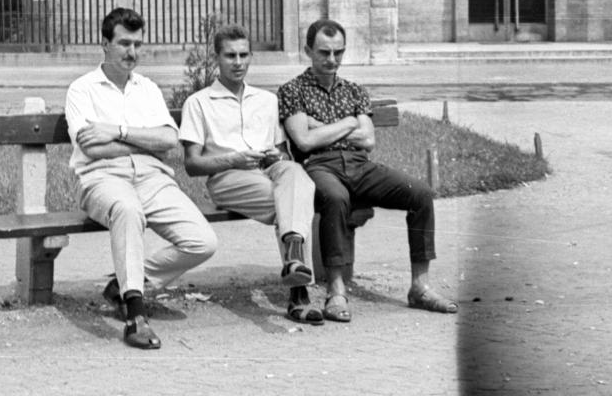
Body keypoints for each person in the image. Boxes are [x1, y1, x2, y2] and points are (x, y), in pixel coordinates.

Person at [277, 18, 457, 323]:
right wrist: (350, 123)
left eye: (339, 52)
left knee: (421, 194)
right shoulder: (292, 90)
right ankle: (336, 291)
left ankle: (420, 286)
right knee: (335, 198)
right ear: (308, 50)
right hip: (320, 167)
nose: (332, 60)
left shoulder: (355, 90)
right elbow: (305, 141)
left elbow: (369, 139)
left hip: (361, 165)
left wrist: (327, 127)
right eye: (324, 52)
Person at [66, 8, 217, 349]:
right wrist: (141, 143)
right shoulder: (82, 90)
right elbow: (91, 149)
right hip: (101, 178)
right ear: (104, 44)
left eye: (137, 44)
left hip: (152, 177)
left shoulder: (146, 88)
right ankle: (135, 313)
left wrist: (116, 131)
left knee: (203, 241)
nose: (131, 52)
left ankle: (124, 283)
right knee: (128, 210)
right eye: (123, 43)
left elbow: (168, 140)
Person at [179, 25, 323, 325]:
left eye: (244, 55)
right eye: (230, 55)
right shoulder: (199, 103)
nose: (238, 62)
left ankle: (294, 254)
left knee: (295, 172)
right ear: (216, 58)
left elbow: (282, 152)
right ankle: (299, 296)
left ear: (251, 56)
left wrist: (276, 156)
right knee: (295, 202)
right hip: (227, 177)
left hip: (268, 170)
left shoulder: (266, 100)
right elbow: (192, 165)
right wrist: (233, 158)